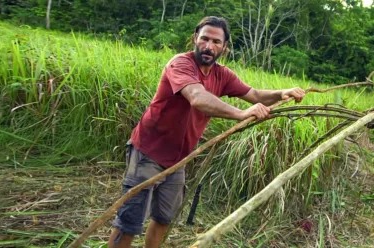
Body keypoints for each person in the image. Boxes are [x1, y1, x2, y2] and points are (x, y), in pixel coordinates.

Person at [108, 16, 305, 248]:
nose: (209, 46)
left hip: (179, 159)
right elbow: (197, 98)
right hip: (148, 153)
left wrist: (284, 92)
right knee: (130, 221)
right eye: (204, 39)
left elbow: (254, 94)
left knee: (164, 218)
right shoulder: (180, 64)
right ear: (195, 39)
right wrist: (241, 113)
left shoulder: (222, 75)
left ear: (224, 47)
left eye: (216, 42)